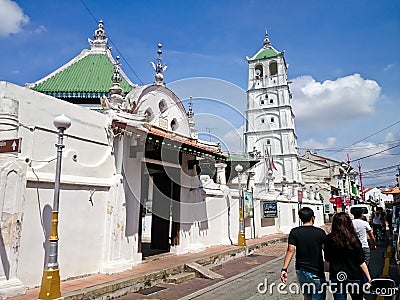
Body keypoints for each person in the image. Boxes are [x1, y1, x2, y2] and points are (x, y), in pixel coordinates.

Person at [280, 207, 326, 300]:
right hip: (316, 270)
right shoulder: (320, 233)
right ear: (313, 218)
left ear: (301, 219)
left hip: (301, 270)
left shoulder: (294, 232)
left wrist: (284, 269)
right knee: (318, 296)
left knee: (307, 296)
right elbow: (326, 250)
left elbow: (290, 250)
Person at [325, 212, 372, 300]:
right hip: (354, 276)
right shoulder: (353, 239)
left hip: (337, 276)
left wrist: (333, 271)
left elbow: (327, 261)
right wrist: (369, 278)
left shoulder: (329, 239)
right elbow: (361, 261)